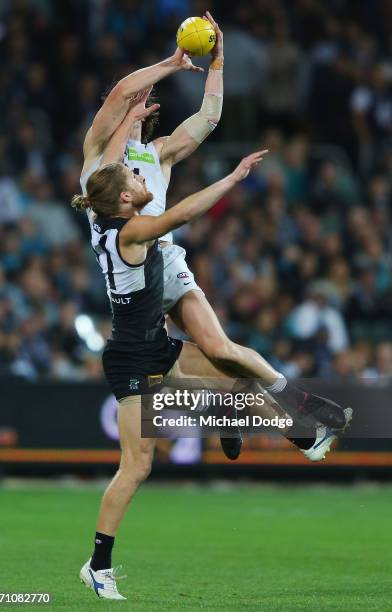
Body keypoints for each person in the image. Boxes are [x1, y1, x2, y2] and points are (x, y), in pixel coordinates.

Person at [73, 133, 351, 599]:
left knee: (237, 381)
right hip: (132, 360)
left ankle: (302, 435)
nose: (142, 176)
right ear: (123, 198)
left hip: (157, 346)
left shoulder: (109, 219)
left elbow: (105, 154)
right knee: (137, 467)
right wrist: (234, 177)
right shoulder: (130, 231)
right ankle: (98, 566)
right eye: (134, 176)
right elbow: (181, 214)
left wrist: (132, 119)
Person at [79, 13, 349, 463]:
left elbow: (209, 116)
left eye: (145, 99)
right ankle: (234, 415)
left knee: (220, 352)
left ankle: (292, 412)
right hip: (130, 277)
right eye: (132, 99)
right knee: (185, 374)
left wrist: (218, 62)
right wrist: (169, 63)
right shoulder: (97, 158)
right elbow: (123, 92)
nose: (139, 99)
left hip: (163, 262)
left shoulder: (158, 154)